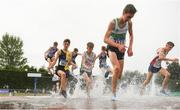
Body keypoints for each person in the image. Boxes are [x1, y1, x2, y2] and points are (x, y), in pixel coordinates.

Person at [103, 4, 137, 100]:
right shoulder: (113, 22)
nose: (129, 19)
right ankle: (113, 94)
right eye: (128, 16)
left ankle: (110, 71)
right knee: (117, 68)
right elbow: (105, 39)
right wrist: (117, 45)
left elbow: (131, 35)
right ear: (123, 13)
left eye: (131, 17)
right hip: (112, 48)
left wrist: (130, 48)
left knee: (119, 76)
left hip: (121, 50)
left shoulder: (129, 23)